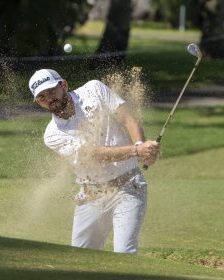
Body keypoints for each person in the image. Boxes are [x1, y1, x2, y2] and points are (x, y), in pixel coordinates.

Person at [28, 69, 160, 254]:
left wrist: (142, 146)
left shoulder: (94, 89)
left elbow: (127, 118)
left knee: (124, 252)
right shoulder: (52, 134)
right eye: (41, 97)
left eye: (51, 91)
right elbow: (93, 154)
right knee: (80, 261)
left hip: (129, 186)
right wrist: (137, 150)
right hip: (92, 195)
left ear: (63, 85)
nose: (49, 99)